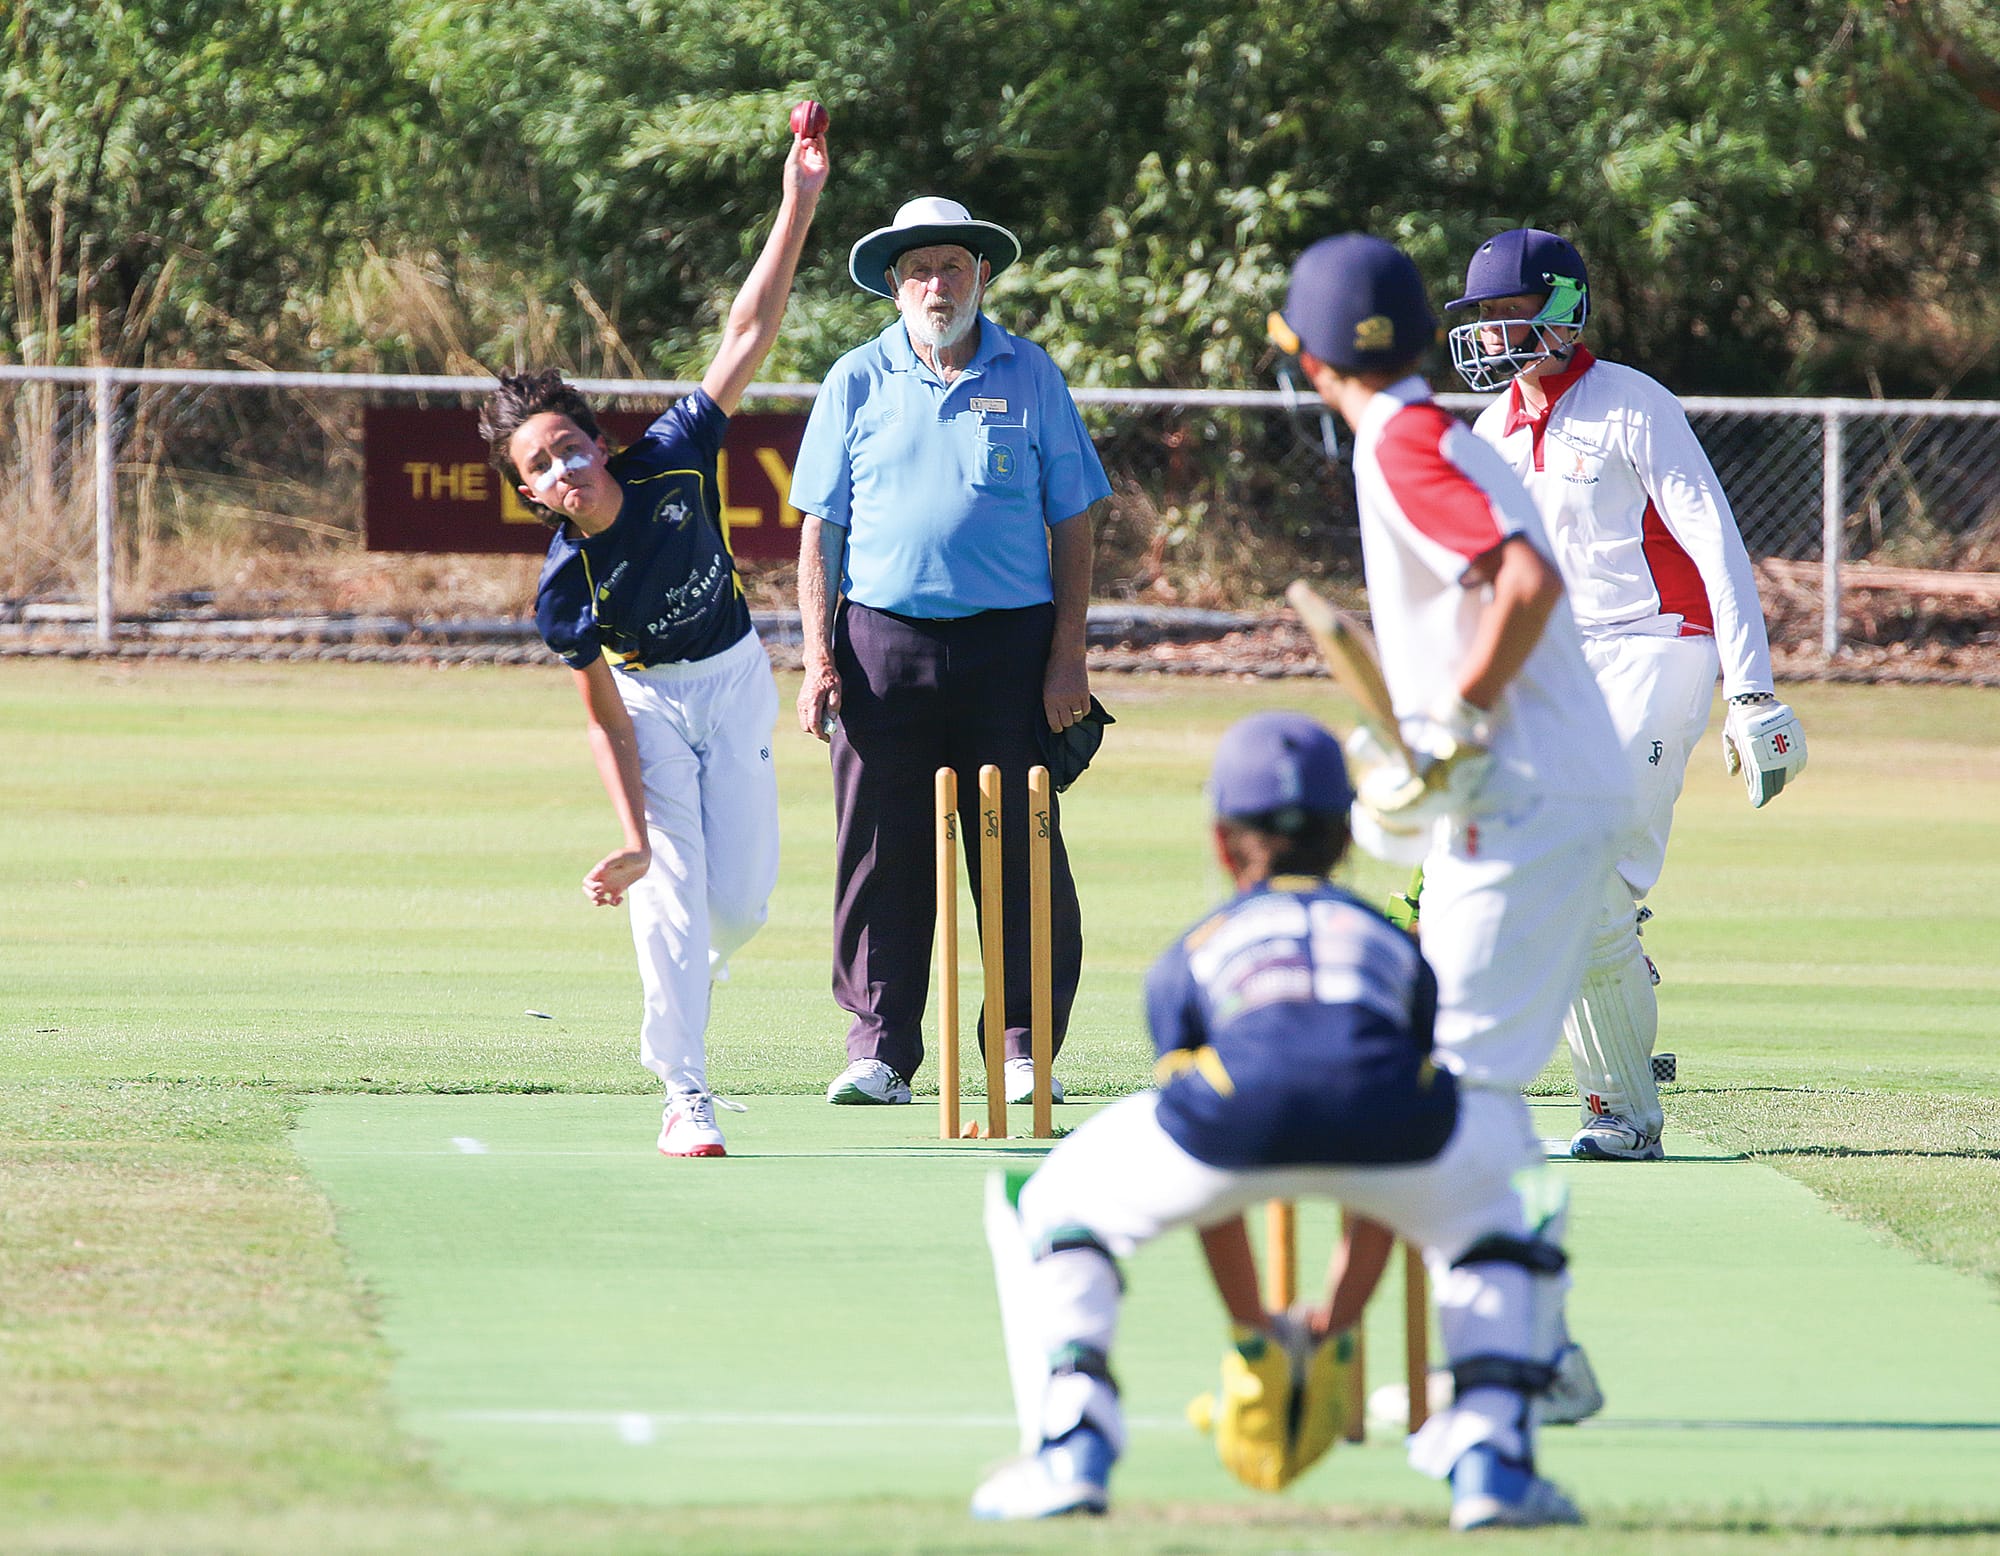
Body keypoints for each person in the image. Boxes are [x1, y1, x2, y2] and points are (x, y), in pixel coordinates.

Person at [973, 712, 1583, 1531]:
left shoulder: (1194, 949)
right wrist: (1336, 1323)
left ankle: (1072, 1445)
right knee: (1513, 1198)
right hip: (1397, 1131)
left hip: (1233, 1126)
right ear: (1347, 842)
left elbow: (1207, 1184)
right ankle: (1493, 1459)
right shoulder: (1394, 943)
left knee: (1042, 1203)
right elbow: (1379, 1154)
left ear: (1224, 846)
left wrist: (1254, 1330)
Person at [1271, 235, 1637, 1455]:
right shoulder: (1433, 433)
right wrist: (1435, 736)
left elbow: (1523, 580)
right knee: (1452, 1082)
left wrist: (1461, 718)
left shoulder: (1403, 441)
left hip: (1528, 799)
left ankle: (1511, 1368)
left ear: (1310, 358)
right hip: (1531, 793)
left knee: (1457, 1094)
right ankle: (1535, 1350)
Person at [475, 121, 829, 1158]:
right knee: (672, 892)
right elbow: (603, 724)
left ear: (594, 435)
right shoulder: (563, 586)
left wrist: (797, 199)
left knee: (741, 906)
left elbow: (746, 331)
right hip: (648, 706)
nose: (561, 466)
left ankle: (684, 963)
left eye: (568, 443)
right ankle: (685, 1093)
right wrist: (631, 837)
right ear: (528, 492)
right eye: (537, 465)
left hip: (733, 677)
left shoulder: (673, 452)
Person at [1444, 228, 1807, 1162]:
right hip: (1560, 675)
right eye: (1480, 319)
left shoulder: (1632, 405)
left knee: (1585, 876)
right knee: (1570, 892)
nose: (1490, 335)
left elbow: (1718, 543)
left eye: (1507, 313)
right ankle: (1621, 1021)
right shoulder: (1492, 433)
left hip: (1660, 648)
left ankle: (1622, 1114)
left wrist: (1753, 692)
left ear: (1563, 309)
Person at [789, 197, 1112, 1109]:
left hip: (1012, 644)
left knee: (1020, 852)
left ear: (982, 277)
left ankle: (1021, 1048)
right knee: (880, 855)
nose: (939, 285)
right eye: (921, 270)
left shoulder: (1031, 373)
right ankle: (882, 1052)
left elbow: (1075, 520)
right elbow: (821, 531)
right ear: (894, 284)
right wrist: (818, 658)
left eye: (955, 268)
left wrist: (1067, 658)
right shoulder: (855, 378)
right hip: (881, 642)